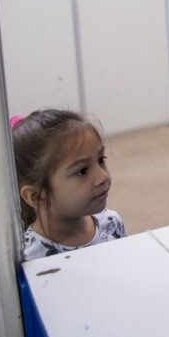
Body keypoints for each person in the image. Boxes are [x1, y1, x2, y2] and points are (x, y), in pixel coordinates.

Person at [11, 109, 125, 261]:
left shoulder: (111, 223)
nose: (103, 177)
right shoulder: (29, 258)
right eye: (82, 171)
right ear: (36, 196)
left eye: (101, 160)